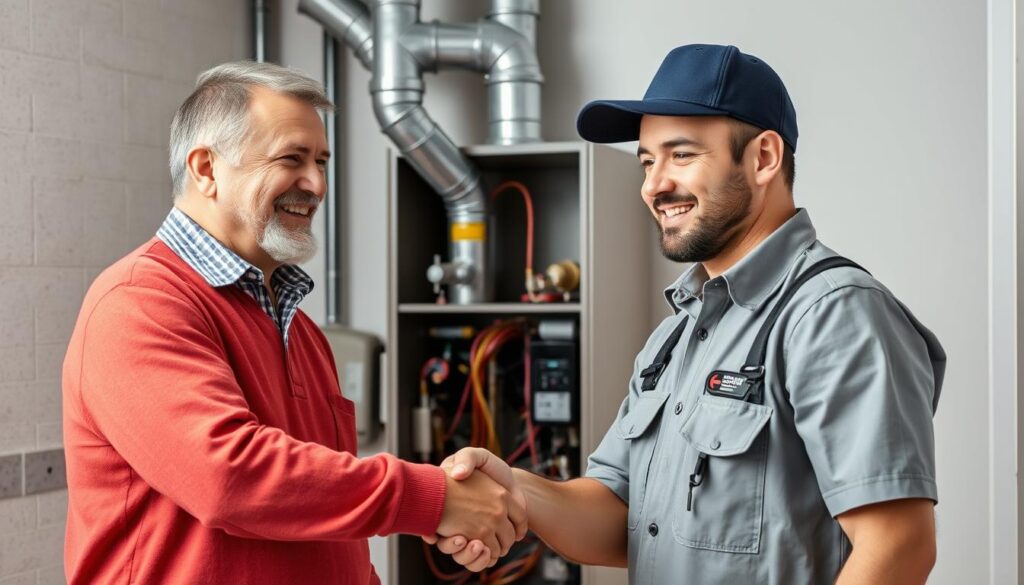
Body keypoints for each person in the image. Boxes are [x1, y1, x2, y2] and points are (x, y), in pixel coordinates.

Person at [430, 44, 946, 584]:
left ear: (764, 158)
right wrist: (514, 489)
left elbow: (898, 545)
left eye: (681, 155)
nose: (654, 185)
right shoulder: (677, 335)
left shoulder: (833, 314)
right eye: (647, 162)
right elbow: (618, 516)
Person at [62, 61, 525, 585]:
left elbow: (326, 529)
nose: (317, 184)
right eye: (292, 158)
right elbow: (230, 477)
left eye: (322, 162)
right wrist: (434, 499)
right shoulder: (139, 302)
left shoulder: (300, 330)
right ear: (207, 169)